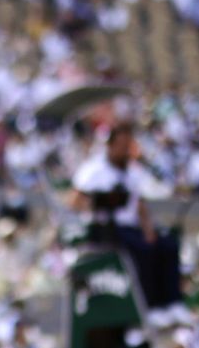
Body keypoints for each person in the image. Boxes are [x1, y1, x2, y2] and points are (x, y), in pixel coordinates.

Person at [70, 122, 181, 308]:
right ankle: (147, 305)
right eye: (121, 146)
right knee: (142, 250)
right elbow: (75, 200)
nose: (124, 150)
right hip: (104, 229)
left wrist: (149, 230)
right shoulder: (94, 170)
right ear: (111, 145)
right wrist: (96, 205)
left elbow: (141, 204)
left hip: (132, 228)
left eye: (127, 145)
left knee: (168, 245)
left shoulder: (133, 171)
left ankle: (171, 303)